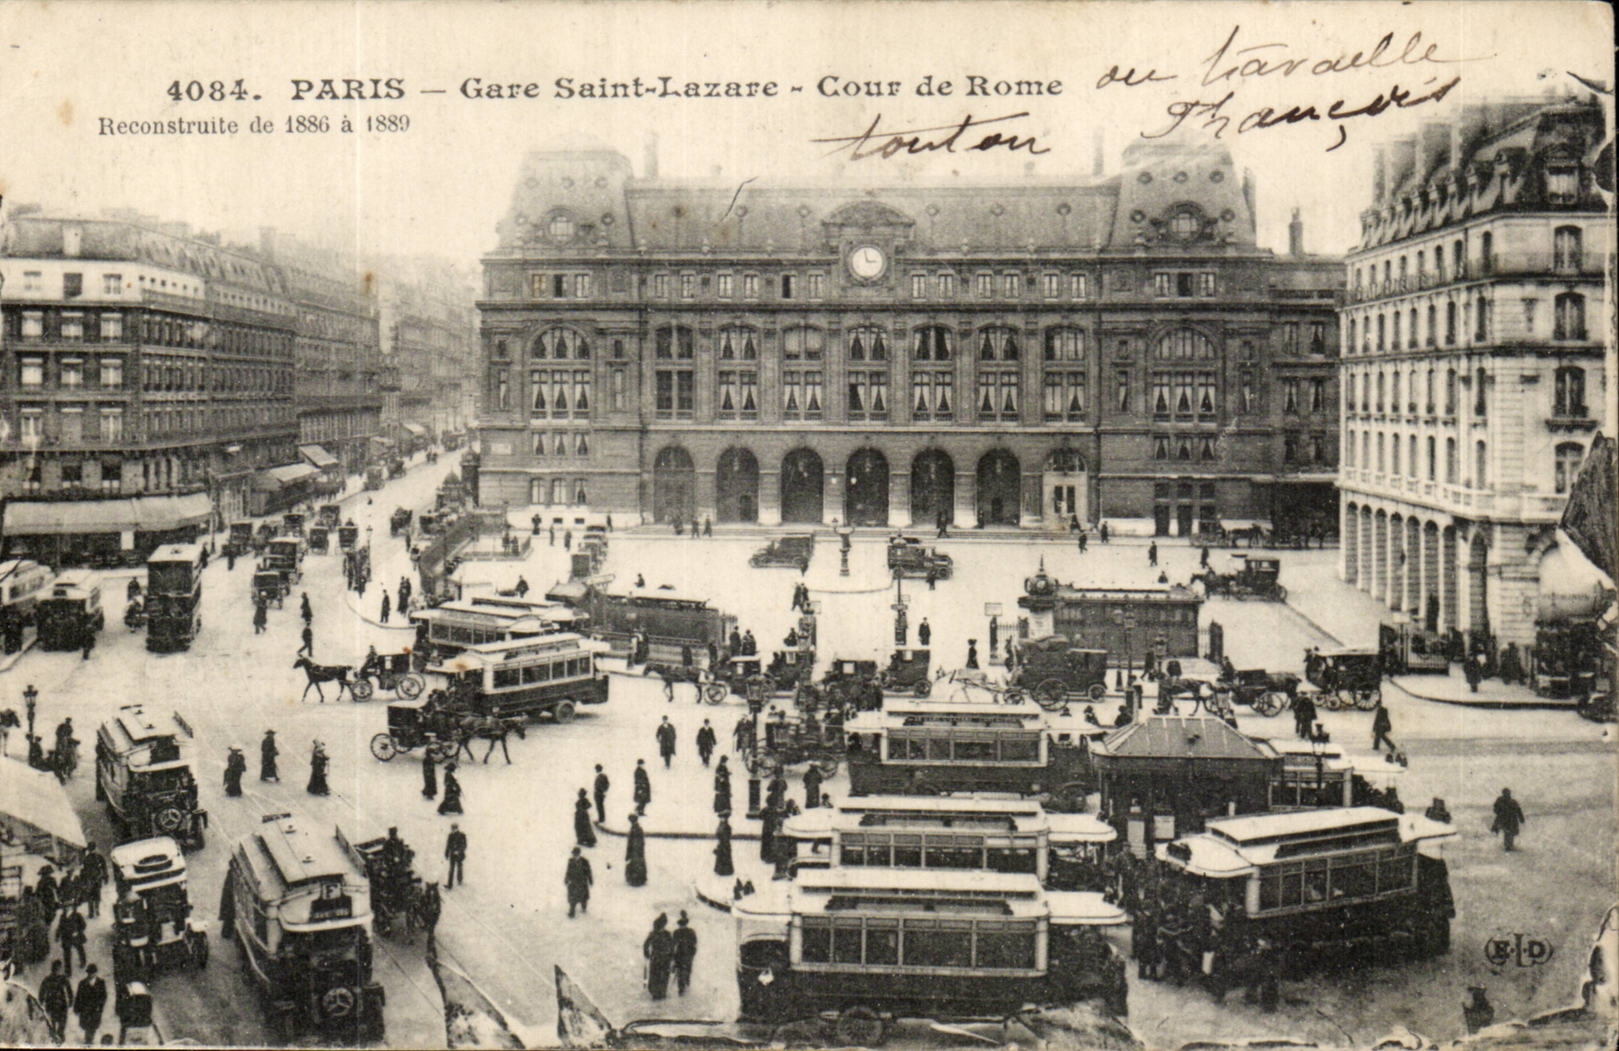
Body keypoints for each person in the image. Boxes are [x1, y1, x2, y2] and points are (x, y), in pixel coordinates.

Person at [73, 963, 107, 1043]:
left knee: (93, 1026)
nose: (91, 975)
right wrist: (76, 1008)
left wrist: (100, 1006)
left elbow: (104, 996)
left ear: (96, 973)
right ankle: (89, 1040)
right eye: (89, 973)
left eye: (93, 973)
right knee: (87, 1026)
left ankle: (89, 1040)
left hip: (95, 1009)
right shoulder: (82, 983)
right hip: (85, 1009)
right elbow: (78, 996)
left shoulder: (101, 983)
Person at [643, 914, 674, 999]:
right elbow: (672, 946)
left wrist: (647, 954)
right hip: (662, 958)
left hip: (658, 958)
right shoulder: (666, 934)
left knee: (657, 975)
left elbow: (646, 945)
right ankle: (659, 992)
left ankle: (658, 992)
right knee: (661, 975)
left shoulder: (654, 934)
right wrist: (671, 956)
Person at [40, 960, 71, 1039]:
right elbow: (42, 992)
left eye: (59, 969)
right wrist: (41, 1002)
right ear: (52, 969)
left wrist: (70, 1000)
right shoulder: (48, 979)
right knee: (52, 1024)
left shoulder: (63, 979)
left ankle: (60, 1036)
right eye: (56, 969)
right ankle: (54, 1037)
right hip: (51, 1005)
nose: (57, 970)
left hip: (62, 1005)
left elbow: (69, 990)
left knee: (62, 1024)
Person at [79, 842, 107, 919]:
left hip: (90, 880)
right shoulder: (98, 857)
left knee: (91, 896)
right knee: (96, 895)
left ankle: (92, 912)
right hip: (95, 879)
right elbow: (104, 868)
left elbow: (84, 871)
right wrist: (105, 877)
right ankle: (96, 911)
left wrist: (83, 881)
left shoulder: (87, 858)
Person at [672, 912, 698, 996]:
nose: (682, 925)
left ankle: (682, 988)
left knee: (682, 971)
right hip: (685, 955)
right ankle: (683, 987)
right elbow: (694, 943)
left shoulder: (677, 932)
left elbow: (694, 943)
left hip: (683, 955)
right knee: (684, 971)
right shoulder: (690, 931)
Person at [57, 906, 87, 974]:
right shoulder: (62, 916)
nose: (66, 909)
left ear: (71, 908)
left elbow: (83, 925)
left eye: (68, 907)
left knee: (80, 949)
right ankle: (68, 971)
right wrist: (57, 935)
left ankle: (83, 962)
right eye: (65, 907)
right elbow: (60, 926)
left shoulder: (77, 915)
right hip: (66, 938)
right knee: (67, 955)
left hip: (76, 937)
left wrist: (78, 931)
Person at [565, 846, 593, 918]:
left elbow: (588, 872)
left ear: (579, 854)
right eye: (574, 854)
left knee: (583, 898)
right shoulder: (571, 861)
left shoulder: (584, 861)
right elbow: (568, 871)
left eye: (576, 854)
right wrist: (566, 879)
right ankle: (572, 912)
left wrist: (590, 880)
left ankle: (584, 907)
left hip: (582, 882)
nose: (575, 856)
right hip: (573, 882)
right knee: (572, 898)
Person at [625, 814, 648, 886]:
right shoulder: (636, 828)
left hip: (636, 850)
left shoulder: (636, 829)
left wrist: (633, 851)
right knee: (637, 864)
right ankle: (639, 879)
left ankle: (637, 880)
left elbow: (636, 841)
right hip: (636, 850)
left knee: (636, 864)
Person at [444, 824, 467, 889]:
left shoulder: (462, 835)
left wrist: (459, 851)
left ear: (457, 828)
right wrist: (446, 853)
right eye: (452, 829)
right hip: (452, 855)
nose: (453, 830)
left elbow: (464, 845)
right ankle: (449, 885)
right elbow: (448, 845)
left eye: (454, 829)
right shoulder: (450, 835)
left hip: (459, 855)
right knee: (451, 869)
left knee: (459, 867)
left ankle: (459, 879)